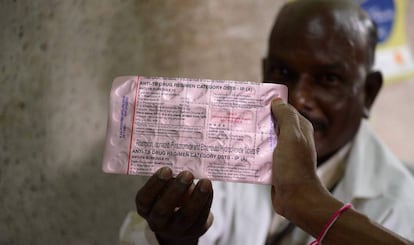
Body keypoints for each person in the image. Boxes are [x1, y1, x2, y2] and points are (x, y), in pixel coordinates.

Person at [122, 0, 414, 244]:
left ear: (368, 93)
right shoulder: (221, 142)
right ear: (264, 72)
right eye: (282, 71)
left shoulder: (399, 203)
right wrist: (170, 237)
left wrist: (307, 201)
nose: (299, 99)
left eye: (329, 79)